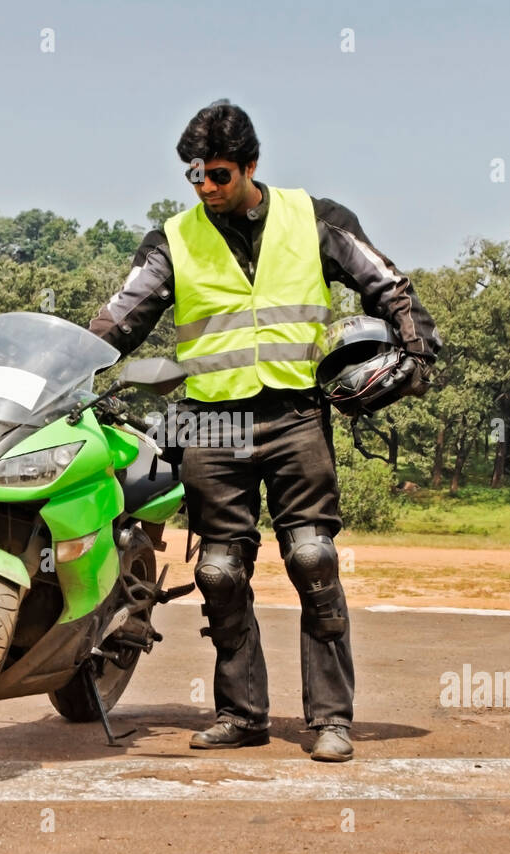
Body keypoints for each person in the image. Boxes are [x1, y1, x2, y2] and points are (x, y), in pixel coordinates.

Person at [88, 100, 441, 761]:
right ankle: (242, 714)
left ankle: (331, 719)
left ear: (251, 165)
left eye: (218, 174)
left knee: (313, 560)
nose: (205, 188)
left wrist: (417, 353)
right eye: (194, 175)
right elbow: (118, 319)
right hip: (213, 422)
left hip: (295, 414)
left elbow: (389, 287)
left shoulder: (317, 221)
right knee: (220, 572)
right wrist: (65, 365)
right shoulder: (172, 240)